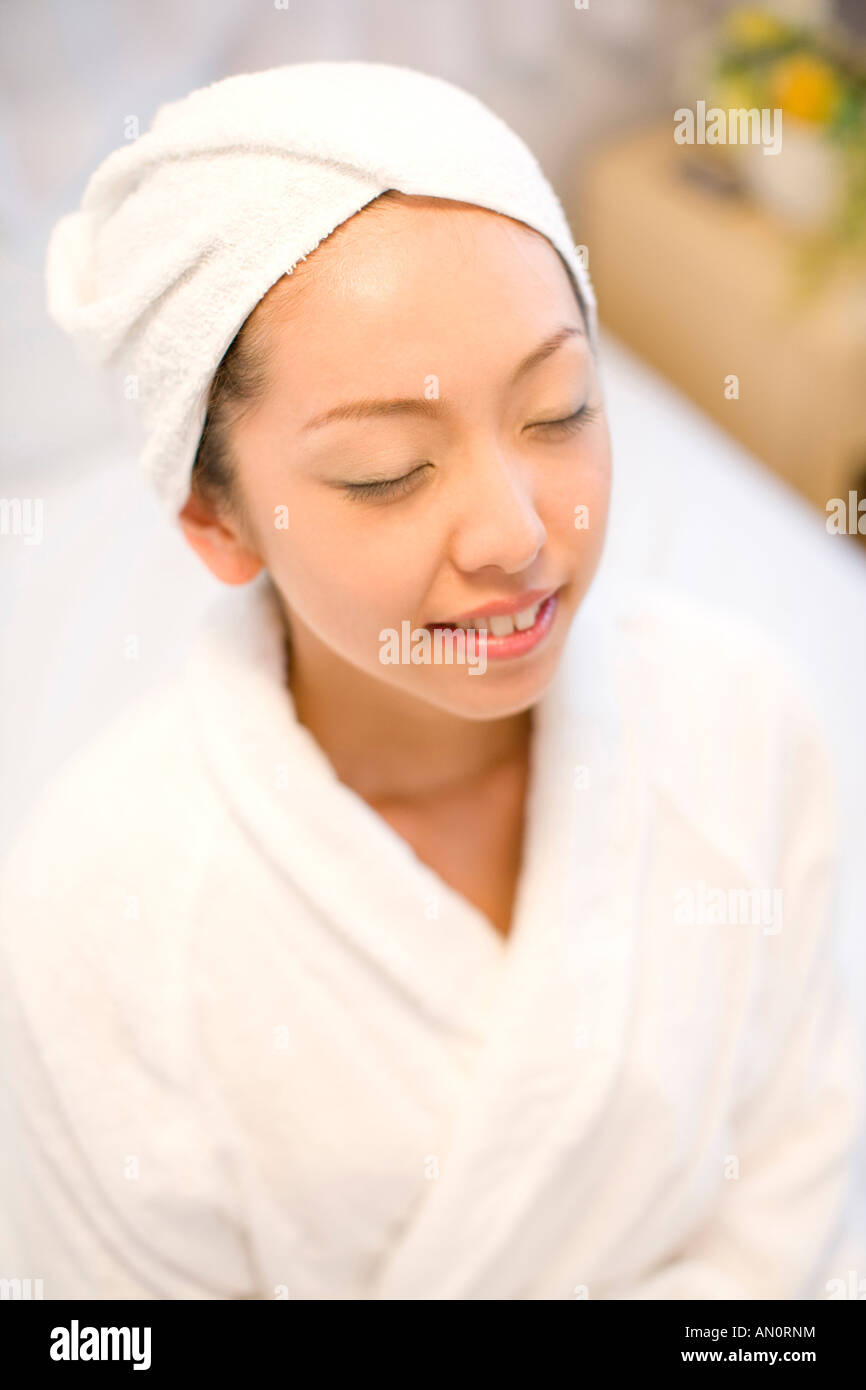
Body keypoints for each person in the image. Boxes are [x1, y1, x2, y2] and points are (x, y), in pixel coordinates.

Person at [0, 61, 863, 1301]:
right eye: (388, 471)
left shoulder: (744, 725)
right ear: (216, 519)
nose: (514, 533)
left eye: (557, 408)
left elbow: (790, 1207)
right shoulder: (96, 924)